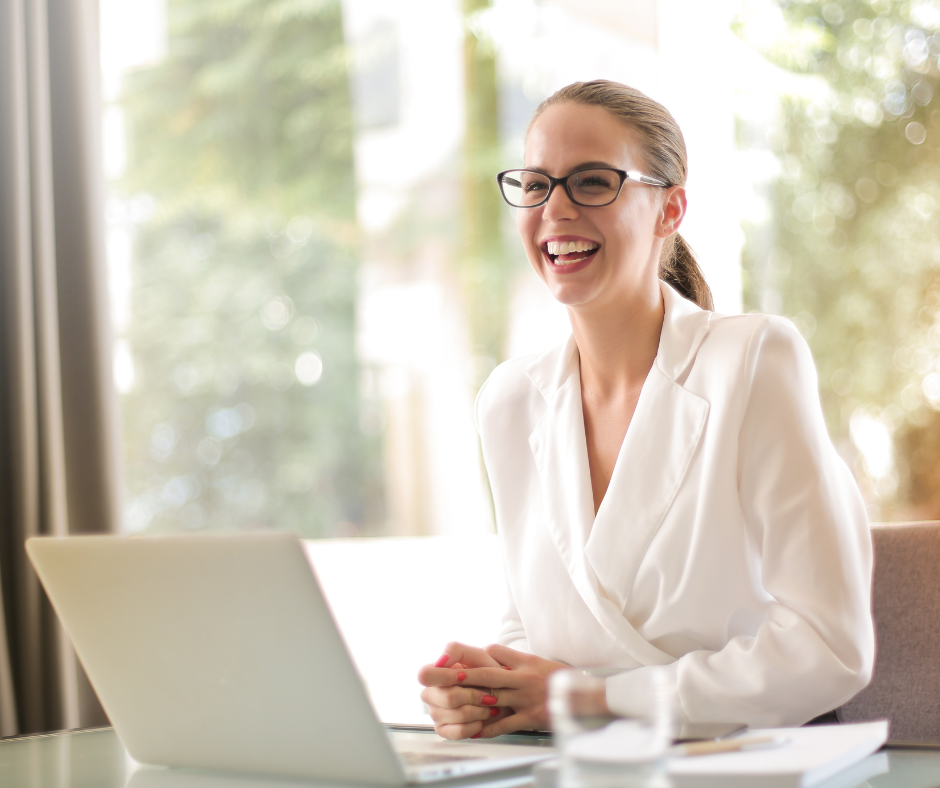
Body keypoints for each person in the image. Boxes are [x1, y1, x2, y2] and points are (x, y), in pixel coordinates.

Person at [417, 80, 874, 740]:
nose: (556, 209)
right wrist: (488, 690)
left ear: (670, 208)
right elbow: (535, 619)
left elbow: (830, 647)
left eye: (593, 182)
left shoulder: (752, 361)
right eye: (536, 184)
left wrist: (592, 698)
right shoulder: (509, 402)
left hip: (744, 760)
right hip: (590, 765)